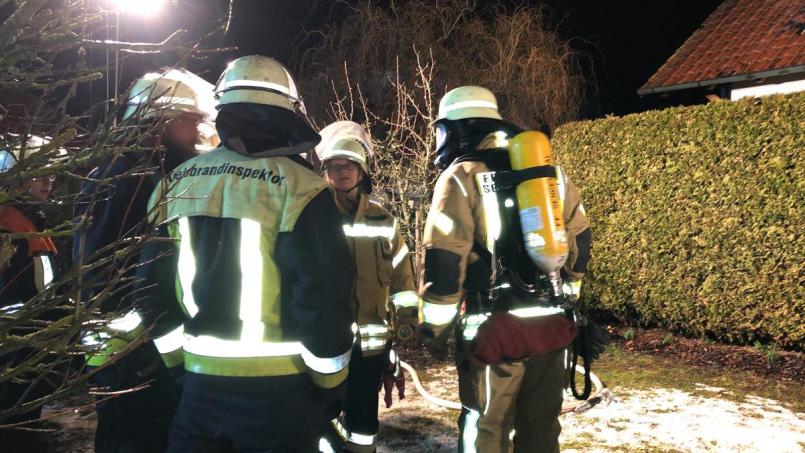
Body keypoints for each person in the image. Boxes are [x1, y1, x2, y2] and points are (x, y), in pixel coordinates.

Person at [134, 55, 355, 453]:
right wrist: (328, 387)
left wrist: (181, 370)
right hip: (282, 396)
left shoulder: (174, 184)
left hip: (198, 395)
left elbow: (151, 295)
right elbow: (324, 303)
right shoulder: (302, 189)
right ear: (289, 111)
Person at [417, 86, 592, 453]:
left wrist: (434, 326)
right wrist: (569, 293)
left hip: (494, 330)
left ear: (454, 129)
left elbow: (446, 259)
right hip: (551, 327)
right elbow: (580, 240)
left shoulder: (460, 177)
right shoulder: (548, 175)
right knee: (541, 426)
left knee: (486, 426)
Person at [73, 68, 217, 453]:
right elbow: (127, 275)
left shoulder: (108, 173)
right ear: (160, 123)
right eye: (189, 123)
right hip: (137, 354)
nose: (197, 134)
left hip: (117, 352)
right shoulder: (141, 180)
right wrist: (157, 356)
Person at [315, 121, 416, 452]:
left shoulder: (383, 221)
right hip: (326, 341)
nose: (342, 172)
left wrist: (408, 316)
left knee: (363, 421)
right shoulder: (314, 218)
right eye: (334, 166)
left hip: (369, 346)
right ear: (325, 171)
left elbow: (402, 274)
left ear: (361, 170)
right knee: (321, 417)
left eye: (348, 165)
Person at [0, 135, 61, 450]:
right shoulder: (10, 225)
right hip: (19, 337)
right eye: (39, 174)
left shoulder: (30, 219)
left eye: (50, 174)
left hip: (31, 331)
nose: (47, 181)